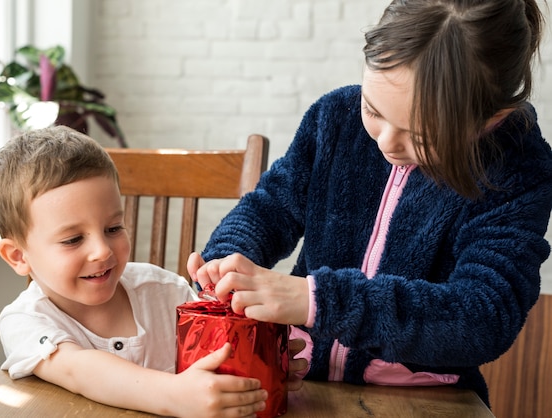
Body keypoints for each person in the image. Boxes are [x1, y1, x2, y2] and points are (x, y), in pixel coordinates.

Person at [187, 0, 552, 408]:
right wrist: (228, 259)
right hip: (303, 381)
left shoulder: (517, 169)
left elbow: (482, 317)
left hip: (425, 400)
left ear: (491, 117)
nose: (386, 143)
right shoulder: (334, 117)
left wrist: (317, 301)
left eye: (423, 135)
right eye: (374, 110)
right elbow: (271, 206)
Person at [0, 126, 276, 418]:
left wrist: (266, 360)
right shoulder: (24, 321)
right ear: (19, 256)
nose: (102, 250)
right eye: (73, 239)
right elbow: (78, 370)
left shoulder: (166, 291)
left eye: (113, 228)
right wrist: (175, 395)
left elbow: (223, 358)